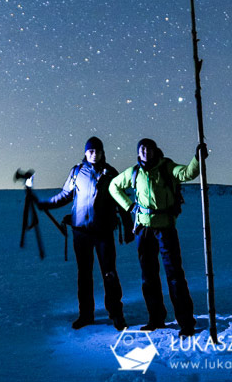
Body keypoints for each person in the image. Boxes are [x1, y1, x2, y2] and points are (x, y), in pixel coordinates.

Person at [108, 138, 208, 337]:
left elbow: (189, 173)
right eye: (142, 149)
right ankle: (156, 319)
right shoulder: (134, 172)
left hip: (165, 229)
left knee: (175, 277)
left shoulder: (166, 167)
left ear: (155, 150)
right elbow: (113, 186)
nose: (146, 151)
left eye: (149, 148)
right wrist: (129, 206)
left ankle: (186, 322)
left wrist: (197, 158)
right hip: (144, 230)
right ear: (139, 152)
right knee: (149, 277)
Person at [39, 136, 131, 330]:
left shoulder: (111, 173)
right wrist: (46, 203)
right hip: (81, 232)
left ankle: (116, 314)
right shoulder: (77, 172)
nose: (94, 154)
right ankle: (86, 315)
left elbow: (121, 201)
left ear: (102, 152)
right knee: (84, 275)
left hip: (103, 232)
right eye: (90, 151)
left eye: (97, 151)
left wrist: (128, 225)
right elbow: (65, 195)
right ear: (85, 152)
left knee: (109, 273)